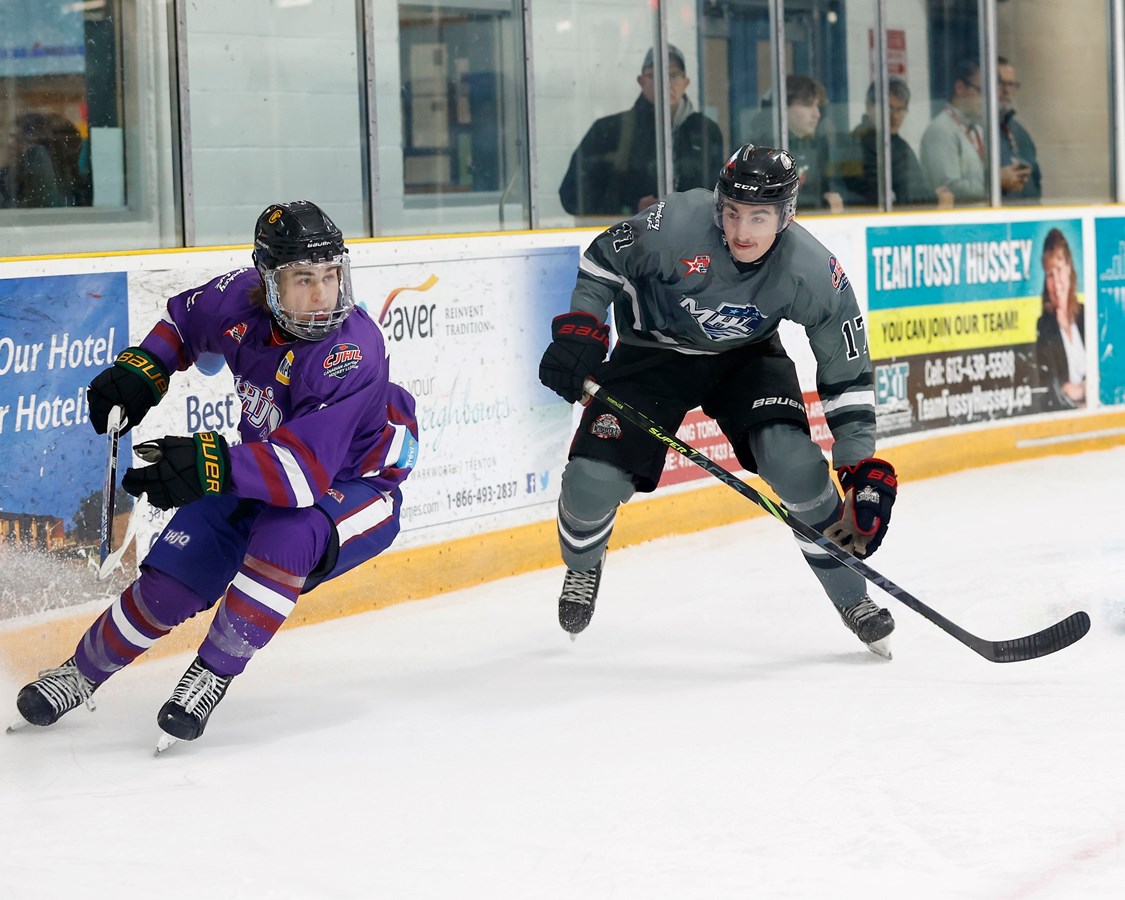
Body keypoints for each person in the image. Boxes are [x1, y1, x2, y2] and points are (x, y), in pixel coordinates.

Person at [13, 201, 419, 747]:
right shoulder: (237, 298)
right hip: (268, 462)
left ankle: (212, 672)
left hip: (356, 485)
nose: (323, 295)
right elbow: (183, 324)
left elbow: (303, 476)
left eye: (331, 275)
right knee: (173, 577)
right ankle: (79, 674)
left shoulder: (350, 349)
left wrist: (207, 464)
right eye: (304, 279)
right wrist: (144, 370)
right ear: (269, 281)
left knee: (287, 535)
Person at [538, 144, 899, 657]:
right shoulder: (674, 223)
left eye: (759, 217)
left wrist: (858, 464)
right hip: (652, 353)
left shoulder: (813, 269)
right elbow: (603, 260)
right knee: (590, 485)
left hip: (745, 358)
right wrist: (582, 326)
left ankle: (852, 596)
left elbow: (847, 371)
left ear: (786, 215)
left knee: (795, 465)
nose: (742, 231)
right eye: (732, 212)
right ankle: (583, 564)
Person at [558, 45, 725, 217]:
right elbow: (572, 196)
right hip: (634, 233)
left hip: (690, 233)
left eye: (673, 75)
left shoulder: (706, 132)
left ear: (685, 82)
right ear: (641, 81)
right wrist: (632, 208)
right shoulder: (607, 131)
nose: (665, 83)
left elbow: (717, 195)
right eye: (655, 75)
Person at [846, 78, 953, 209]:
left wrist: (932, 195)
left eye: (901, 110)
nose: (895, 117)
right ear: (869, 107)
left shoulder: (900, 146)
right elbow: (882, 196)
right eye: (888, 109)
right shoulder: (858, 145)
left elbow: (914, 189)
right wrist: (935, 199)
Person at [779, 75, 845, 213]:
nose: (817, 114)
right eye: (808, 105)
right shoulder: (764, 151)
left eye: (818, 106)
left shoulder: (818, 147)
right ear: (784, 107)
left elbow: (830, 186)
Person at [1036, 228, 1085, 410]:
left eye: (1059, 269)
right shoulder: (1044, 327)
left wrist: (1082, 390)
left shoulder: (1086, 315)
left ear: (1069, 269)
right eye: (1050, 274)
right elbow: (1052, 390)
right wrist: (1085, 391)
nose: (1056, 281)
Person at [0, 110, 89, 208]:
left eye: (21, 140)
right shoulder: (6, 181)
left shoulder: (80, 191)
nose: (11, 145)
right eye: (12, 138)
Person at [997, 57, 1041, 202]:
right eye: (1000, 83)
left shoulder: (1019, 132)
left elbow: (1035, 178)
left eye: (1011, 84)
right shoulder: (977, 132)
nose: (1006, 91)